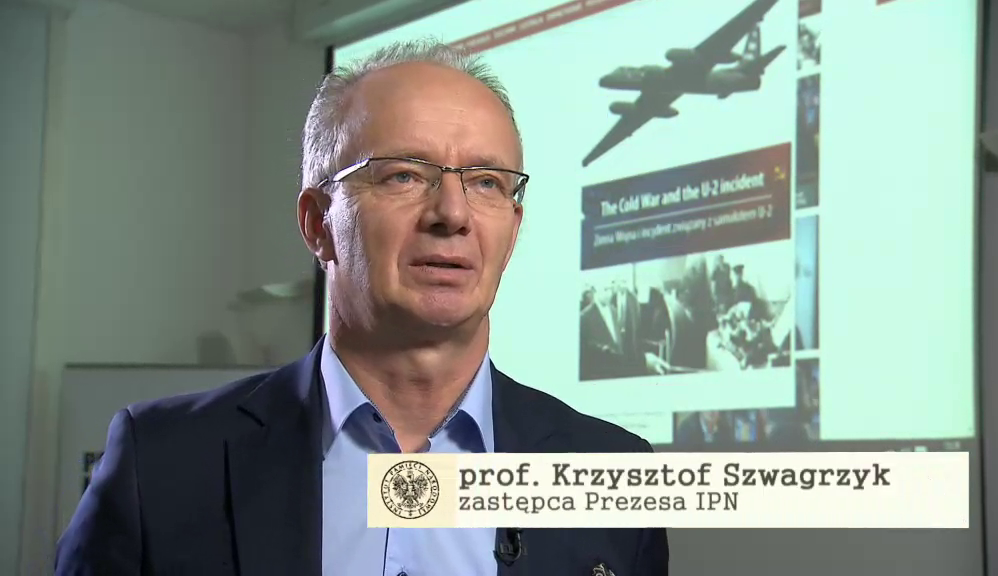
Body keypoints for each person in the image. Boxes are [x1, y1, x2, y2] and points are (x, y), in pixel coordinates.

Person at [55, 39, 669, 575]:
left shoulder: (610, 470)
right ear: (318, 223)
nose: (452, 214)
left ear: (513, 228)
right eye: (404, 175)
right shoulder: (161, 462)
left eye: (486, 181)